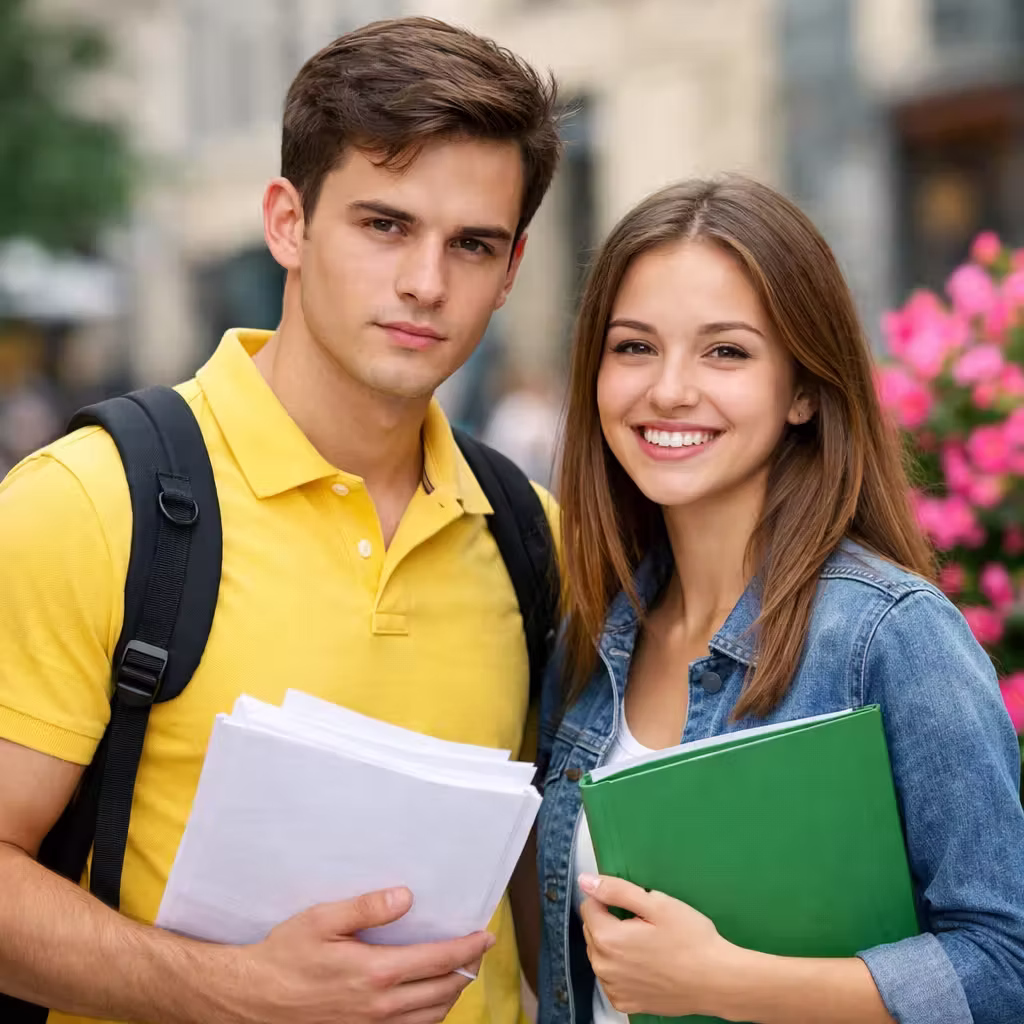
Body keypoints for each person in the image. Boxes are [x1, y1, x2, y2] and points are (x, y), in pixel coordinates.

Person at [0, 17, 561, 1024]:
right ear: (287, 223)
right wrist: (238, 991)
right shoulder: (85, 504)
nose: (426, 283)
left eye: (470, 244)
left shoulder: (532, 536)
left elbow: (539, 895)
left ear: (513, 267)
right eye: (384, 225)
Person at [535, 176, 1024, 1024]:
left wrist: (727, 983)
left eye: (725, 351)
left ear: (802, 389)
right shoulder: (591, 642)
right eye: (634, 347)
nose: (669, 390)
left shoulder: (887, 635)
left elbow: (1005, 961)